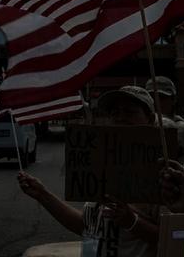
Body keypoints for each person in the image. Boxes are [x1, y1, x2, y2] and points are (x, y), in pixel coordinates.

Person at [17, 86, 162, 257]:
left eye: (130, 112)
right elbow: (87, 226)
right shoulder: (102, 166)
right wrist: (42, 195)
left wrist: (132, 222)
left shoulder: (163, 173)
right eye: (115, 112)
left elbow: (174, 236)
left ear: (150, 119)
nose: (121, 117)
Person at [145, 76, 184, 170]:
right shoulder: (142, 125)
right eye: (151, 98)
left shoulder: (182, 129)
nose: (156, 102)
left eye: (161, 98)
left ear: (173, 99)